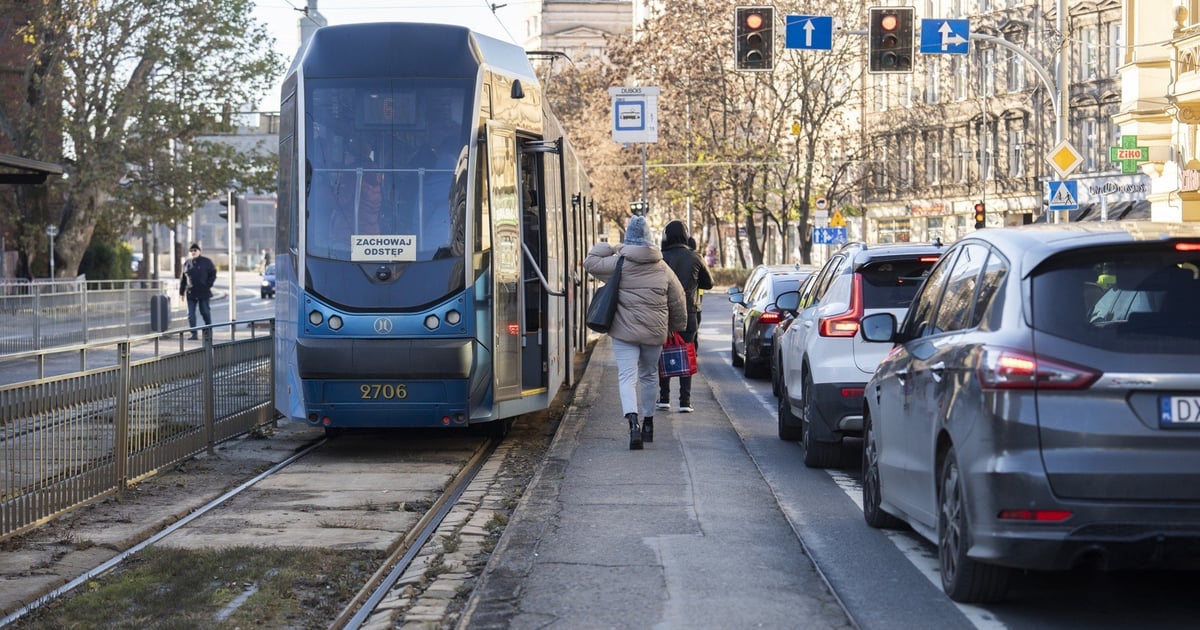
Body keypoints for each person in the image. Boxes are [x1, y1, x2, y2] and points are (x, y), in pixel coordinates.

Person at [585, 215, 686, 450]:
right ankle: (649, 422)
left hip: (624, 333)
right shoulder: (663, 267)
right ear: (651, 238)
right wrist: (676, 328)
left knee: (627, 378)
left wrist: (613, 246)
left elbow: (590, 261)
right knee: (649, 376)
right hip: (654, 334)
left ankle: (633, 424)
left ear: (627, 238)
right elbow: (678, 301)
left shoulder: (618, 263)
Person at [657, 222, 713, 413]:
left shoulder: (661, 258)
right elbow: (709, 283)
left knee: (664, 352)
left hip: (665, 313)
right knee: (687, 352)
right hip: (690, 313)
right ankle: (685, 401)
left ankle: (664, 398)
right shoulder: (694, 257)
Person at [179, 243, 217, 339]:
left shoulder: (206, 262)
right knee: (190, 314)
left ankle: (208, 331)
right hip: (191, 292)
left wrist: (208, 285)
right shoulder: (187, 263)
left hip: (203, 292)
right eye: (191, 251)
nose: (193, 252)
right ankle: (194, 333)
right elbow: (183, 279)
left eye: (195, 250)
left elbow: (213, 274)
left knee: (205, 312)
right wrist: (181, 293)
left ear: (199, 251)